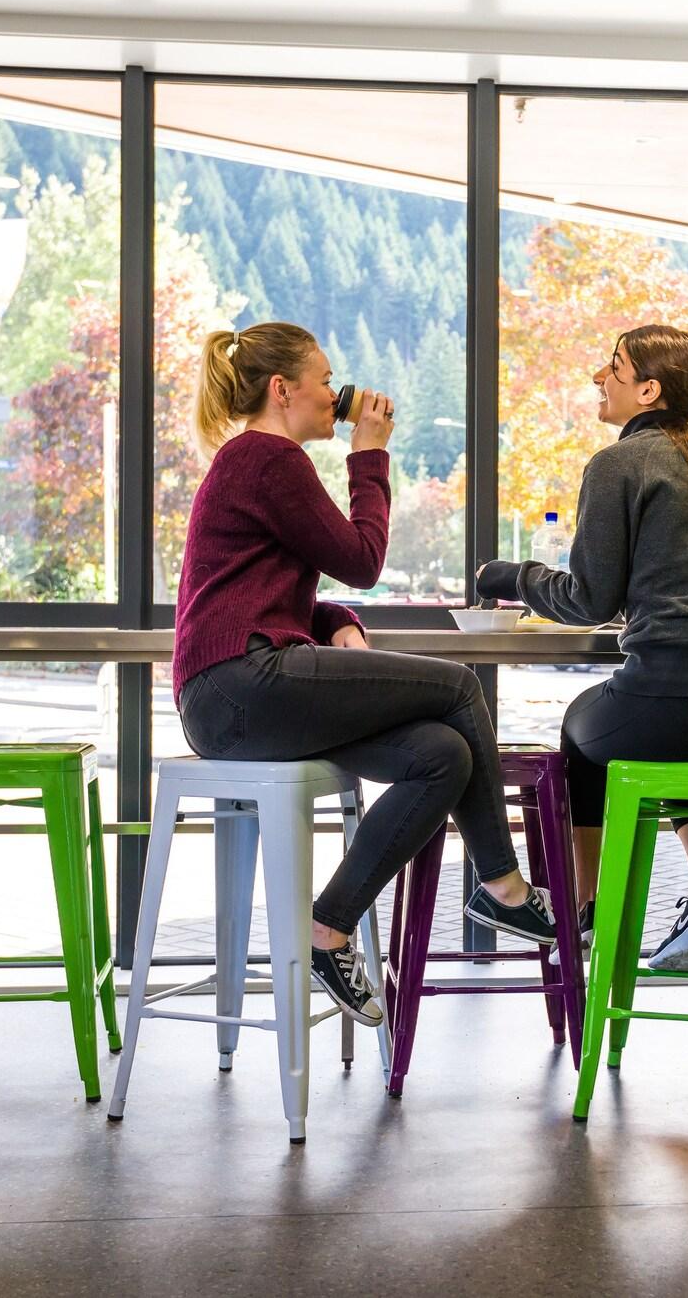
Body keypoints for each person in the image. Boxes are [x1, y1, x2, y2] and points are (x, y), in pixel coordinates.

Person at [173, 321, 557, 1026]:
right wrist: (369, 456)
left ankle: (329, 927)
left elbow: (258, 586)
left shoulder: (254, 462)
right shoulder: (269, 458)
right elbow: (362, 557)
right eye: (324, 380)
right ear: (282, 390)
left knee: (442, 754)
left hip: (234, 692)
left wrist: (334, 618)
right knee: (462, 687)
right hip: (243, 682)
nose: (335, 393)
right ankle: (502, 883)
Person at [476, 324, 688, 973]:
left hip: (675, 701)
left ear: (648, 388)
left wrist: (512, 576)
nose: (598, 376)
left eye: (612, 367)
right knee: (663, 727)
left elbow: (590, 599)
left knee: (584, 729)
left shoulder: (619, 464)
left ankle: (582, 910)